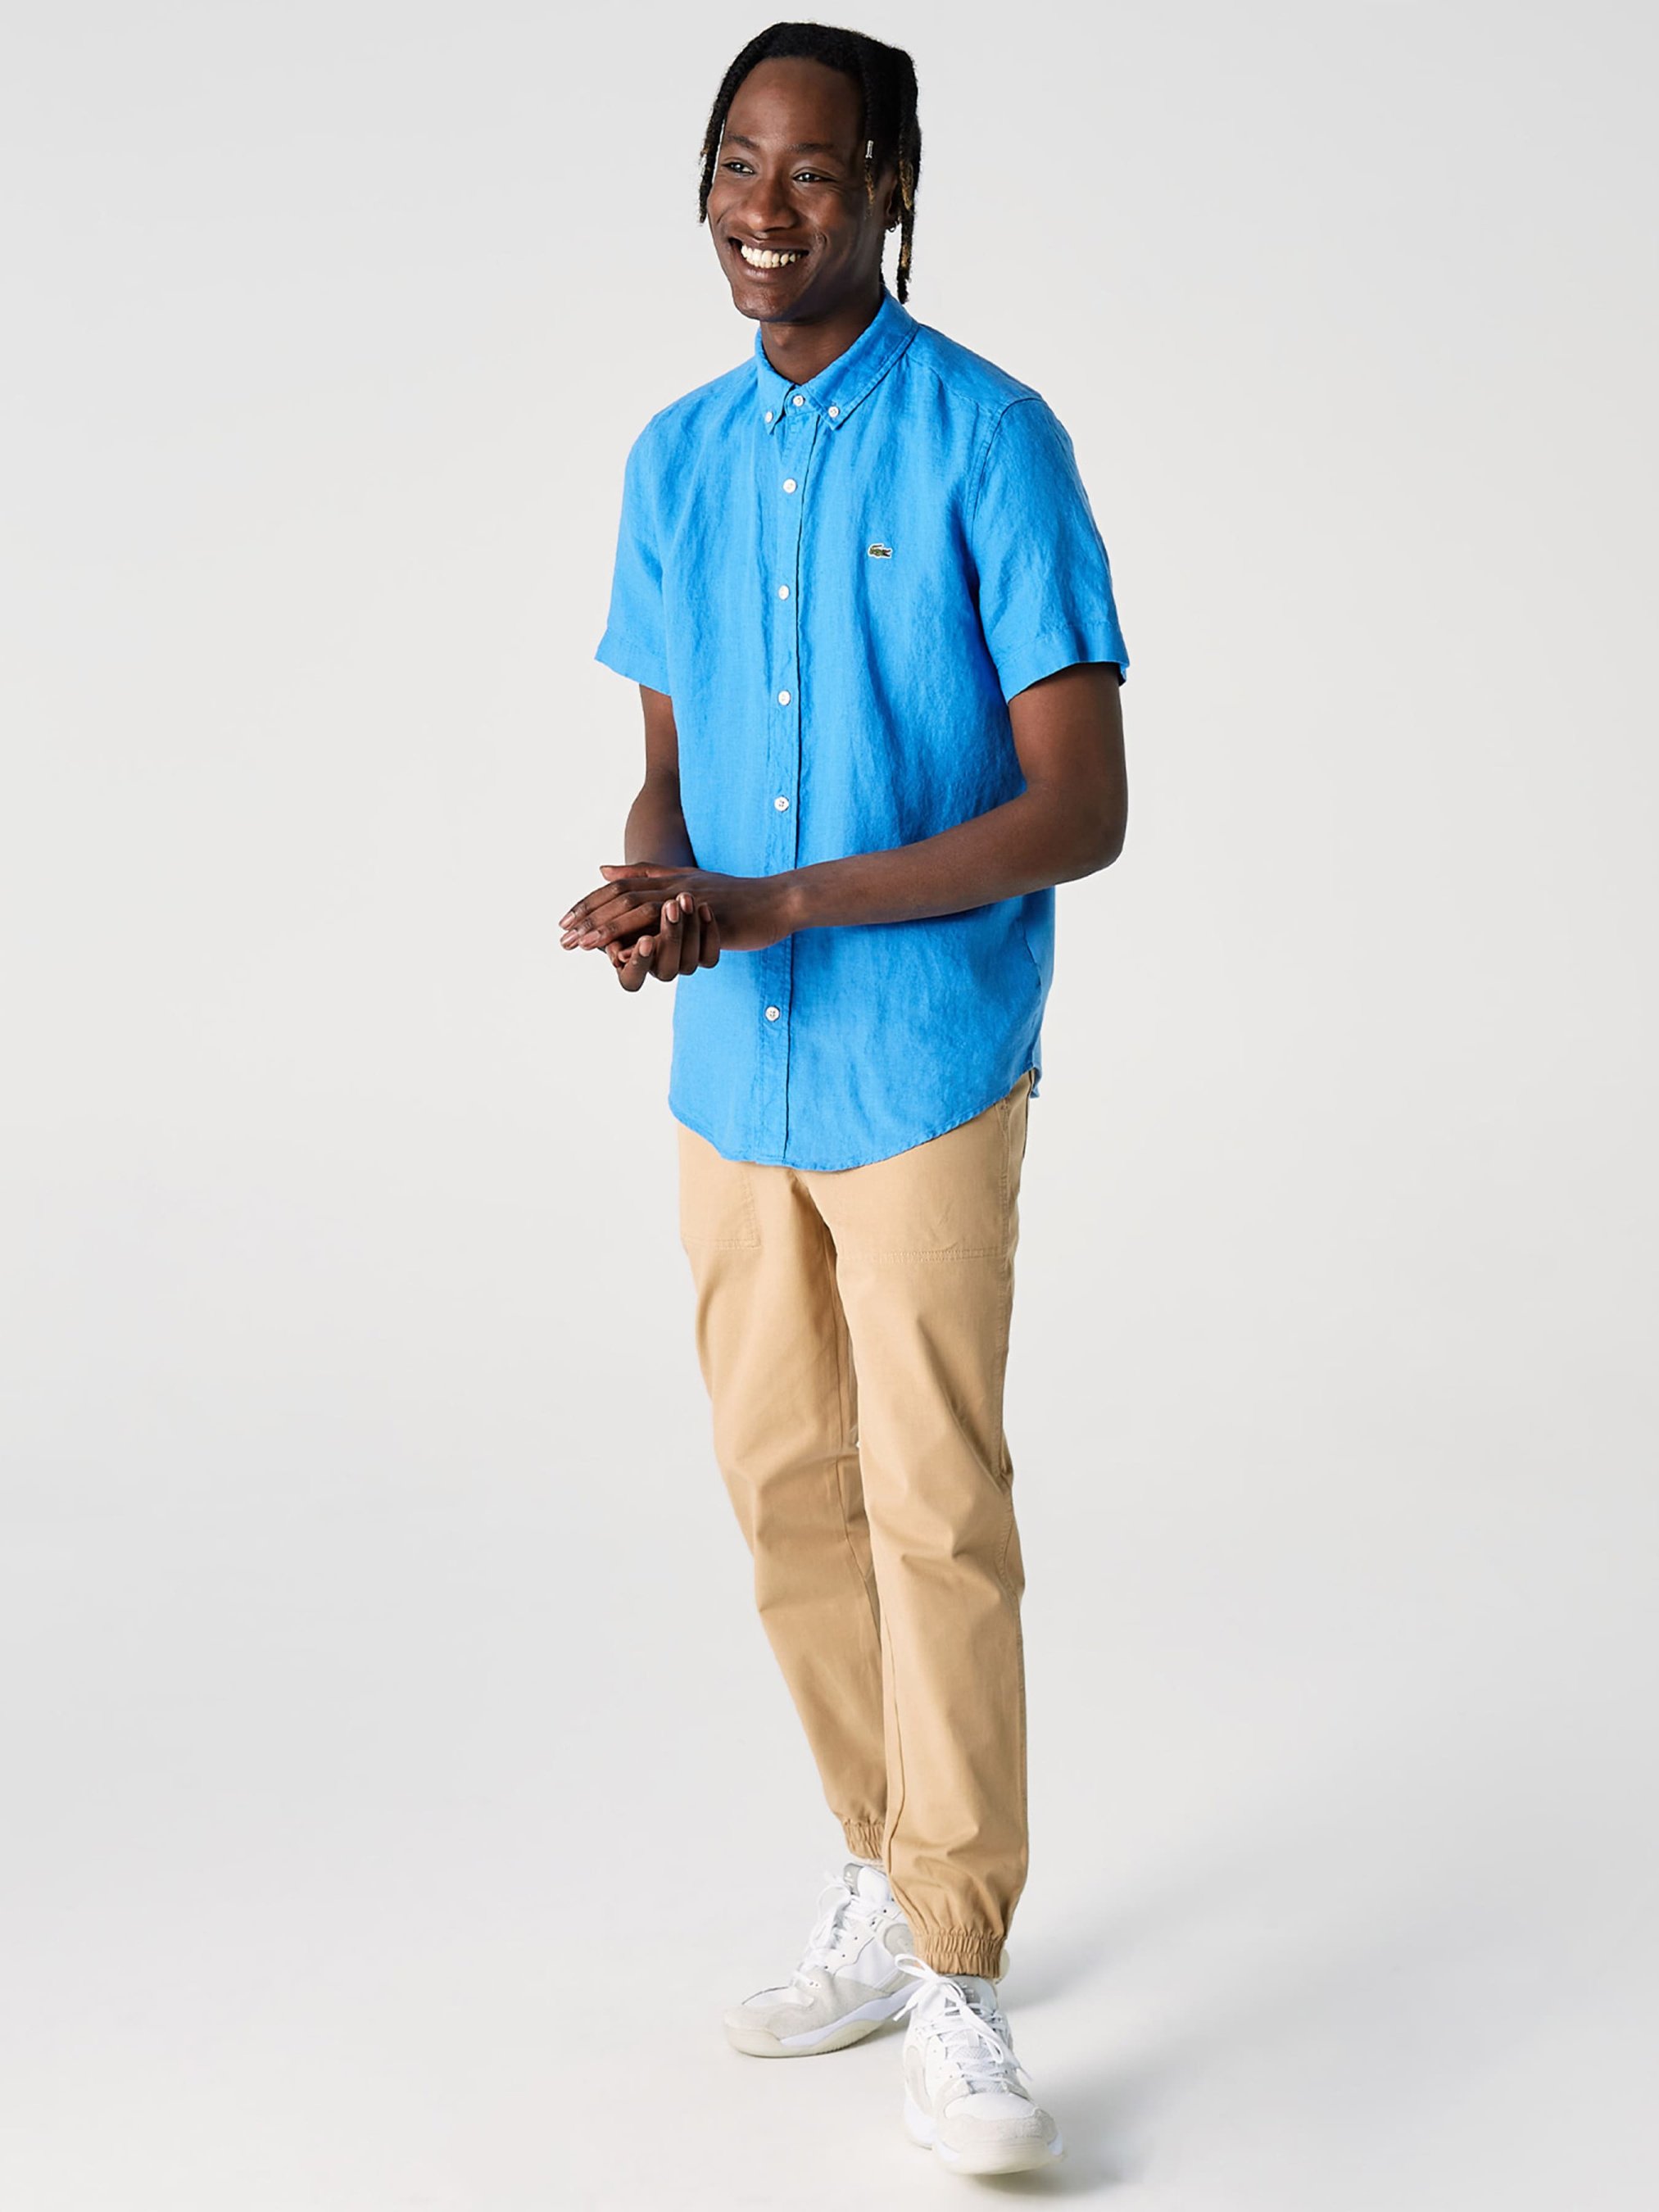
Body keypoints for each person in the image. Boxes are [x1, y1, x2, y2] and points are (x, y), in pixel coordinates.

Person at [562, 20, 1129, 2180]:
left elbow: (1079, 810)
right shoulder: (673, 457)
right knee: (784, 1491)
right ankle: (880, 1870)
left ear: (890, 186)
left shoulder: (993, 438)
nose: (762, 207)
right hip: (734, 1077)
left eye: (811, 169)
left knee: (932, 1503)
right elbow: (671, 761)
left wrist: (778, 899)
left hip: (923, 1070)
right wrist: (658, 885)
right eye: (735, 161)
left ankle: (962, 1962)